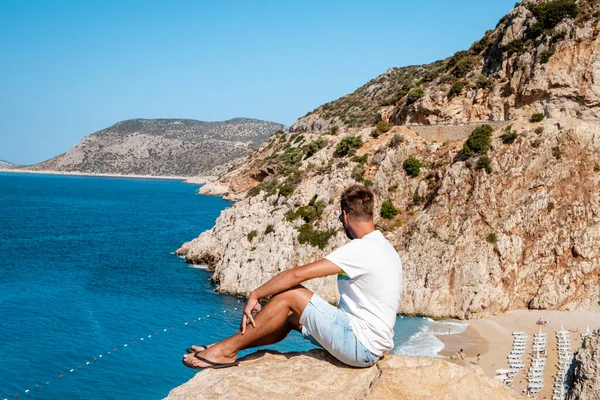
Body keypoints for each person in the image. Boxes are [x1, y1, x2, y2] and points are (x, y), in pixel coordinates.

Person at [182, 184, 403, 369]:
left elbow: (296, 274)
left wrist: (256, 294)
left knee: (291, 296)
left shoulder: (361, 249)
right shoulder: (384, 247)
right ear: (371, 214)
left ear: (344, 216)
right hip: (368, 344)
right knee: (288, 315)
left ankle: (225, 352)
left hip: (359, 346)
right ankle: (227, 346)